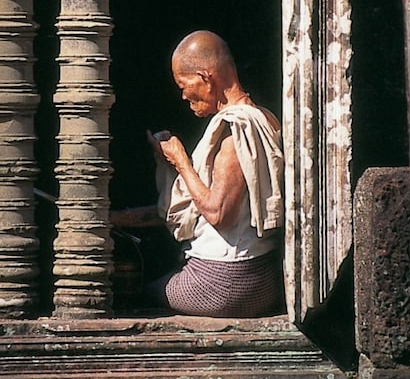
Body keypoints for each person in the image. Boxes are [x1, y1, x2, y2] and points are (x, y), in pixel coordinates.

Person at [111, 30, 285, 318]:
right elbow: (199, 207)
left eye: (183, 84)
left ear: (206, 77)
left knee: (143, 291)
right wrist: (119, 218)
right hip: (262, 282)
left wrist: (181, 161)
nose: (182, 95)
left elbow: (218, 213)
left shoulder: (233, 130)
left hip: (223, 283)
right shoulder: (265, 118)